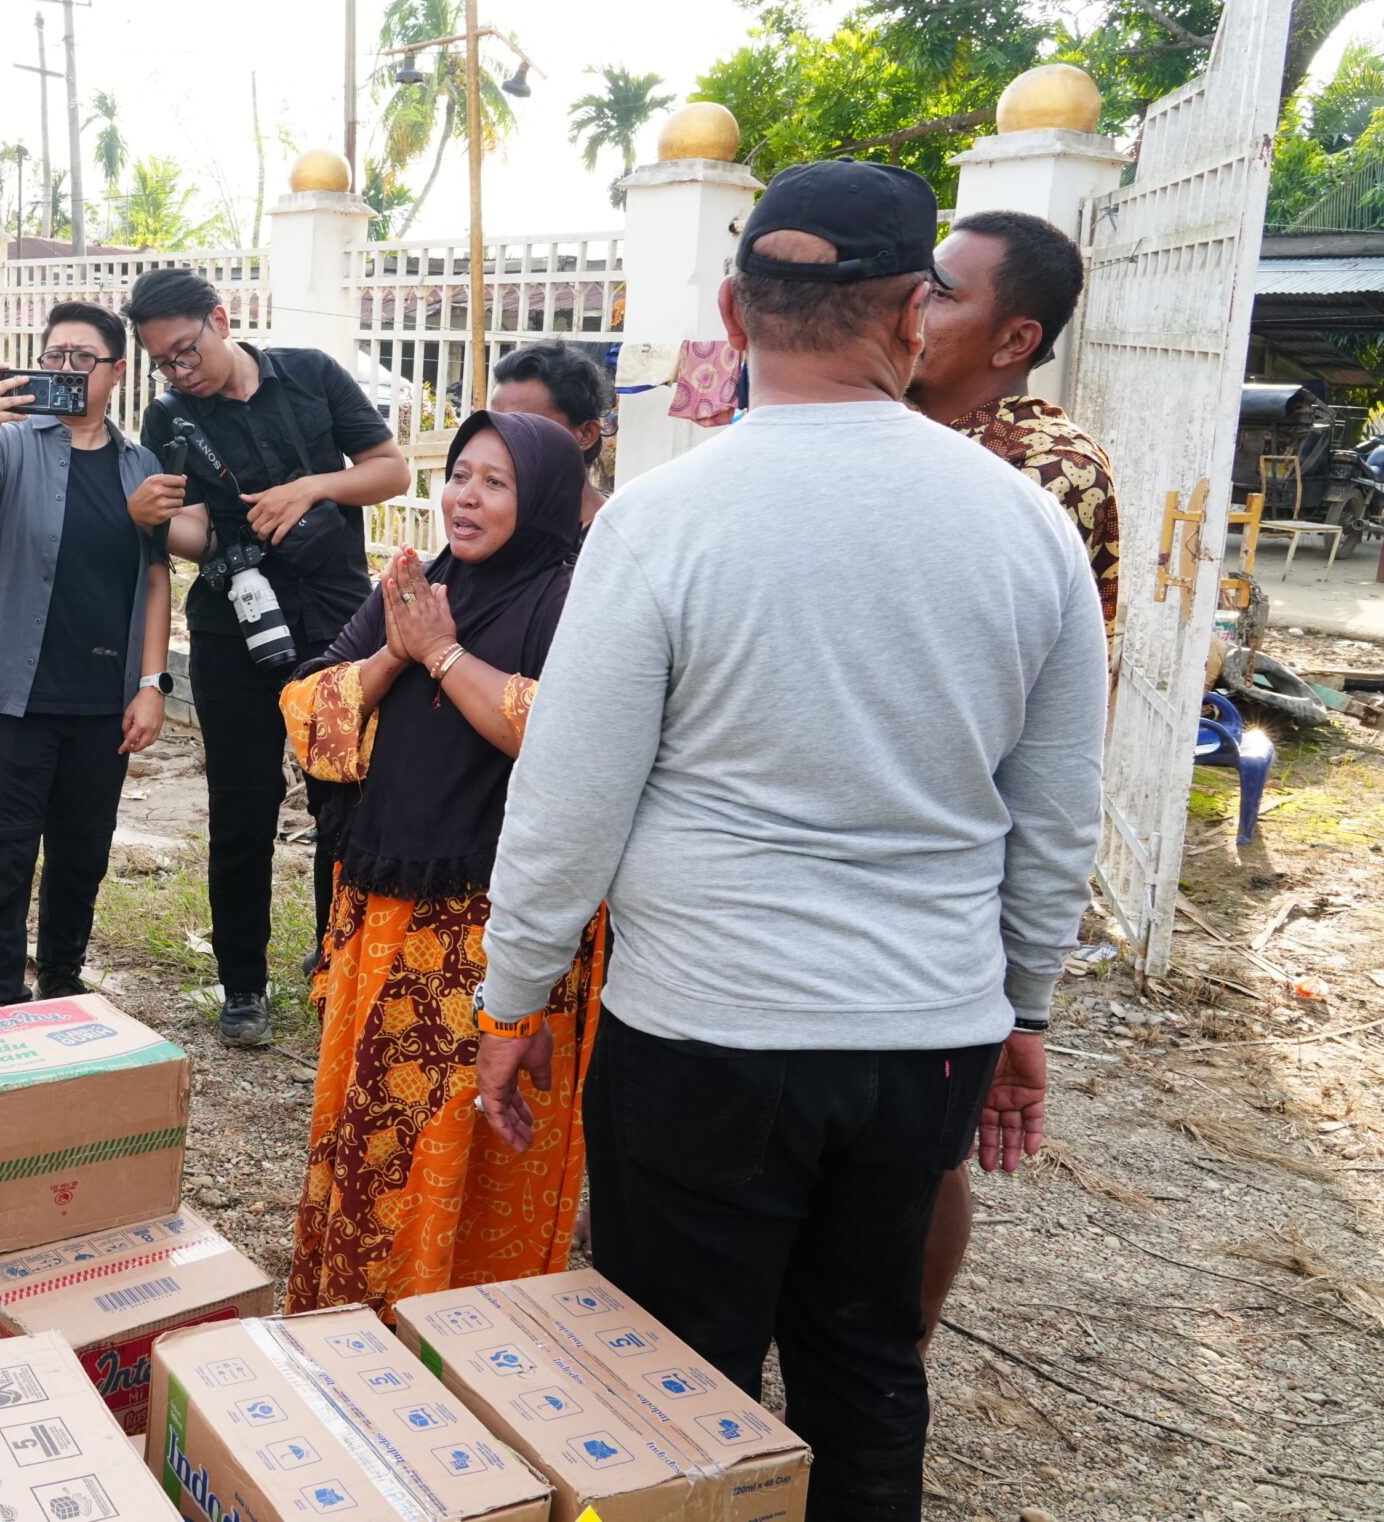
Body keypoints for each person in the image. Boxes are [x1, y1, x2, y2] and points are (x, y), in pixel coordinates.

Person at [474, 160, 1108, 1522]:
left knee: (670, 1384)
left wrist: (513, 996)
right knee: (868, 1361)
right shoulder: (1028, 529)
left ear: (730, 307)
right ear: (910, 310)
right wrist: (1025, 1003)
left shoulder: (658, 521)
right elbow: (1056, 810)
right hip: (920, 1030)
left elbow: (571, 797)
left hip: (705, 1027)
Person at [282, 411, 605, 1314]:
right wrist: (397, 648)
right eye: (460, 473)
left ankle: (458, 1339)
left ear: (539, 496)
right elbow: (309, 711)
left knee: (462, 1143)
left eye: (495, 482)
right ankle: (355, 1326)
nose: (465, 495)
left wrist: (444, 653)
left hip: (498, 928)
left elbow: (561, 736)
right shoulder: (418, 584)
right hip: (384, 906)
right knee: (366, 1134)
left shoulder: (570, 598)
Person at [909, 207, 1115, 1349]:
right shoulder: (862, 413)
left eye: (943, 291)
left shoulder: (1049, 476)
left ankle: (895, 1353)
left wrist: (1021, 977)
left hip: (950, 862)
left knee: (925, 1140)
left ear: (1011, 335)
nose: (914, 305)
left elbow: (1051, 737)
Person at [124, 268, 409, 1047]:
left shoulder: (311, 374)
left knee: (340, 805)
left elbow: (392, 469)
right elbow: (190, 533)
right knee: (241, 811)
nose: (182, 372)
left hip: (337, 623)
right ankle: (242, 984)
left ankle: (335, 966)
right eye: (164, 362)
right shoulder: (171, 415)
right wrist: (153, 518)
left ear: (221, 319)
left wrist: (312, 490)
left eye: (187, 351)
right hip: (233, 628)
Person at [0, 302, 173, 1007]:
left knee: (81, 860)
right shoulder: (9, 446)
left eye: (83, 359)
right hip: (9, 700)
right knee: (3, 864)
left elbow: (155, 576)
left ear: (116, 372)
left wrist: (152, 683)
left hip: (104, 705)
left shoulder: (140, 465)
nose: (66, 370)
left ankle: (63, 990)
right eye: (54, 356)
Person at [487, 341, 612, 531]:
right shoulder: (499, 526)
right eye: (496, 425)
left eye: (523, 427)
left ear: (586, 435)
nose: (502, 441)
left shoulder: (615, 537)